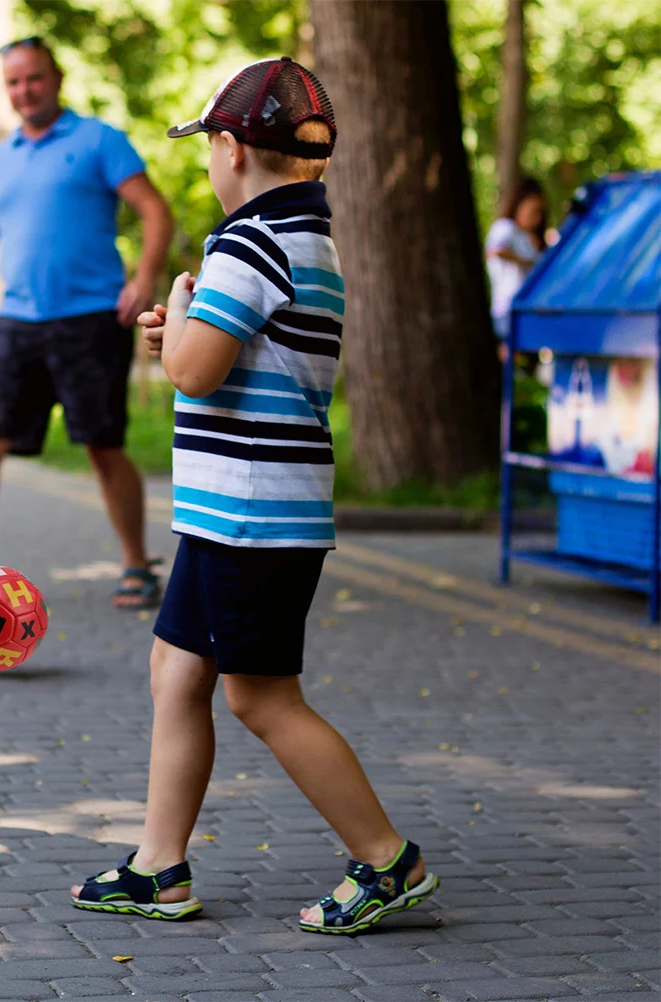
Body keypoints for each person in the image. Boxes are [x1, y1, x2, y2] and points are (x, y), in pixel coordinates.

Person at [69, 58, 439, 934]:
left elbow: (195, 372)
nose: (209, 160)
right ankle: (159, 868)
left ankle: (388, 859)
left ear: (231, 150)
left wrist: (177, 311)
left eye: (208, 147)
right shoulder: (307, 239)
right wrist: (189, 327)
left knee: (261, 697)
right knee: (176, 670)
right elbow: (232, 351)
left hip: (251, 514)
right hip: (236, 510)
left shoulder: (247, 243)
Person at [0, 37, 172, 615]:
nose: (25, 91)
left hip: (92, 319)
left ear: (57, 78)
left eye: (34, 78)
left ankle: (136, 565)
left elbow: (155, 210)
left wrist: (145, 277)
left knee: (103, 447)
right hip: (17, 323)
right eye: (14, 82)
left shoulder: (99, 140)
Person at [485, 177, 548, 359]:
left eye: (540, 213)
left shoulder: (530, 238)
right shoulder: (506, 228)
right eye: (533, 211)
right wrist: (524, 261)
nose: (536, 219)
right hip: (507, 308)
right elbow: (494, 251)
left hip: (529, 309)